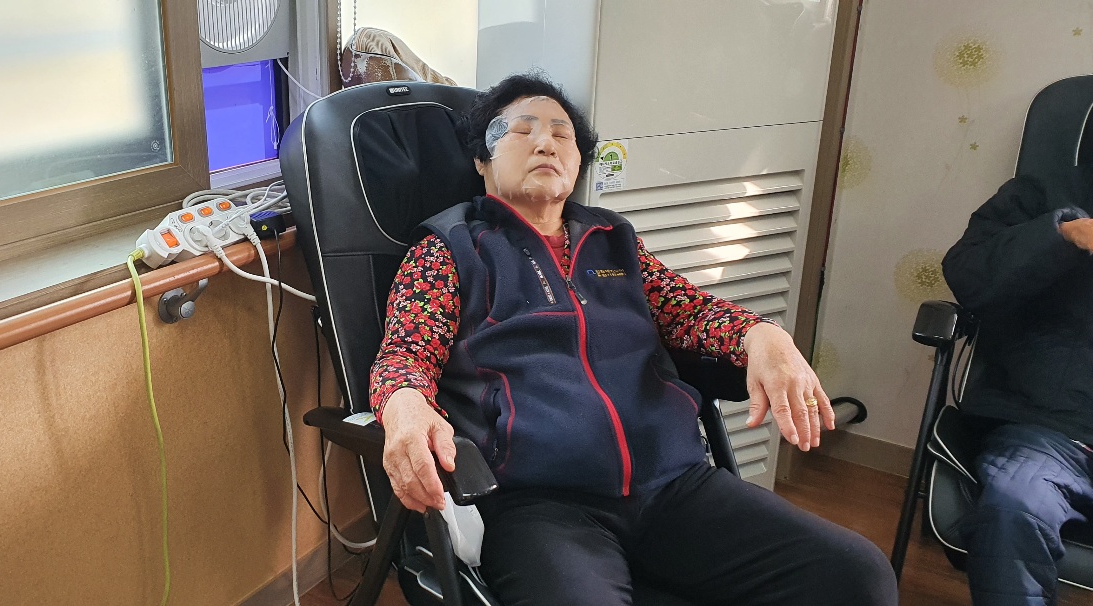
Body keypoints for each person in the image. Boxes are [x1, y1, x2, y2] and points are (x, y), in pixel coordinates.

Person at [368, 73, 897, 606]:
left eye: (563, 134)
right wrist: (405, 407)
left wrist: (763, 336)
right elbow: (406, 356)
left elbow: (693, 312)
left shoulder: (613, 241)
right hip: (542, 507)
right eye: (521, 131)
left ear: (578, 163)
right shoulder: (451, 249)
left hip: (675, 487)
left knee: (857, 576)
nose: (546, 142)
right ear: (482, 160)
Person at [942, 165, 1093, 606]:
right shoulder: (1042, 192)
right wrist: (1061, 235)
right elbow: (967, 275)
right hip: (1047, 434)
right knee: (1013, 507)